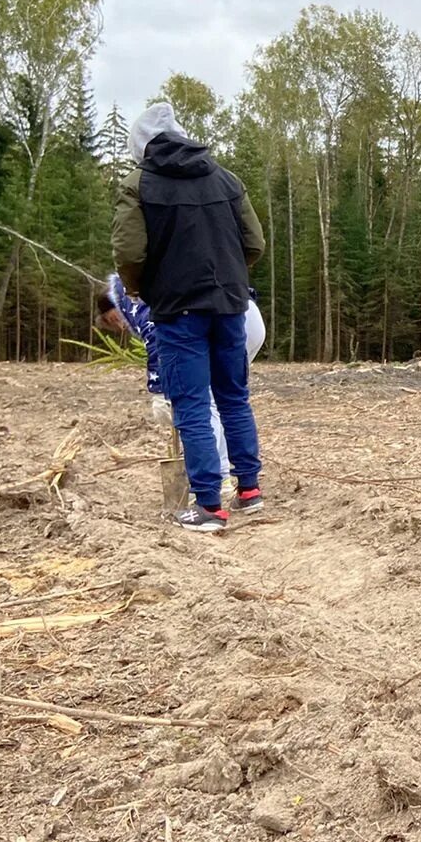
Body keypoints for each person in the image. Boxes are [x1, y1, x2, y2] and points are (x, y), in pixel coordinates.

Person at [112, 103, 266, 533]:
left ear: (139, 145)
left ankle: (209, 507)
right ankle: (249, 490)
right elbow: (254, 242)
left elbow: (129, 252)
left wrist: (142, 289)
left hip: (178, 309)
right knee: (233, 396)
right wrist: (229, 278)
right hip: (230, 304)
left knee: (193, 404)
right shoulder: (225, 178)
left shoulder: (138, 184)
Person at [97, 274, 267, 481]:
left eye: (113, 319)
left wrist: (159, 389)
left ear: (110, 302)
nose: (120, 325)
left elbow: (154, 334)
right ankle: (244, 481)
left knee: (206, 403)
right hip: (244, 313)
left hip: (223, 318)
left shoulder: (128, 293)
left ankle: (215, 478)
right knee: (226, 398)